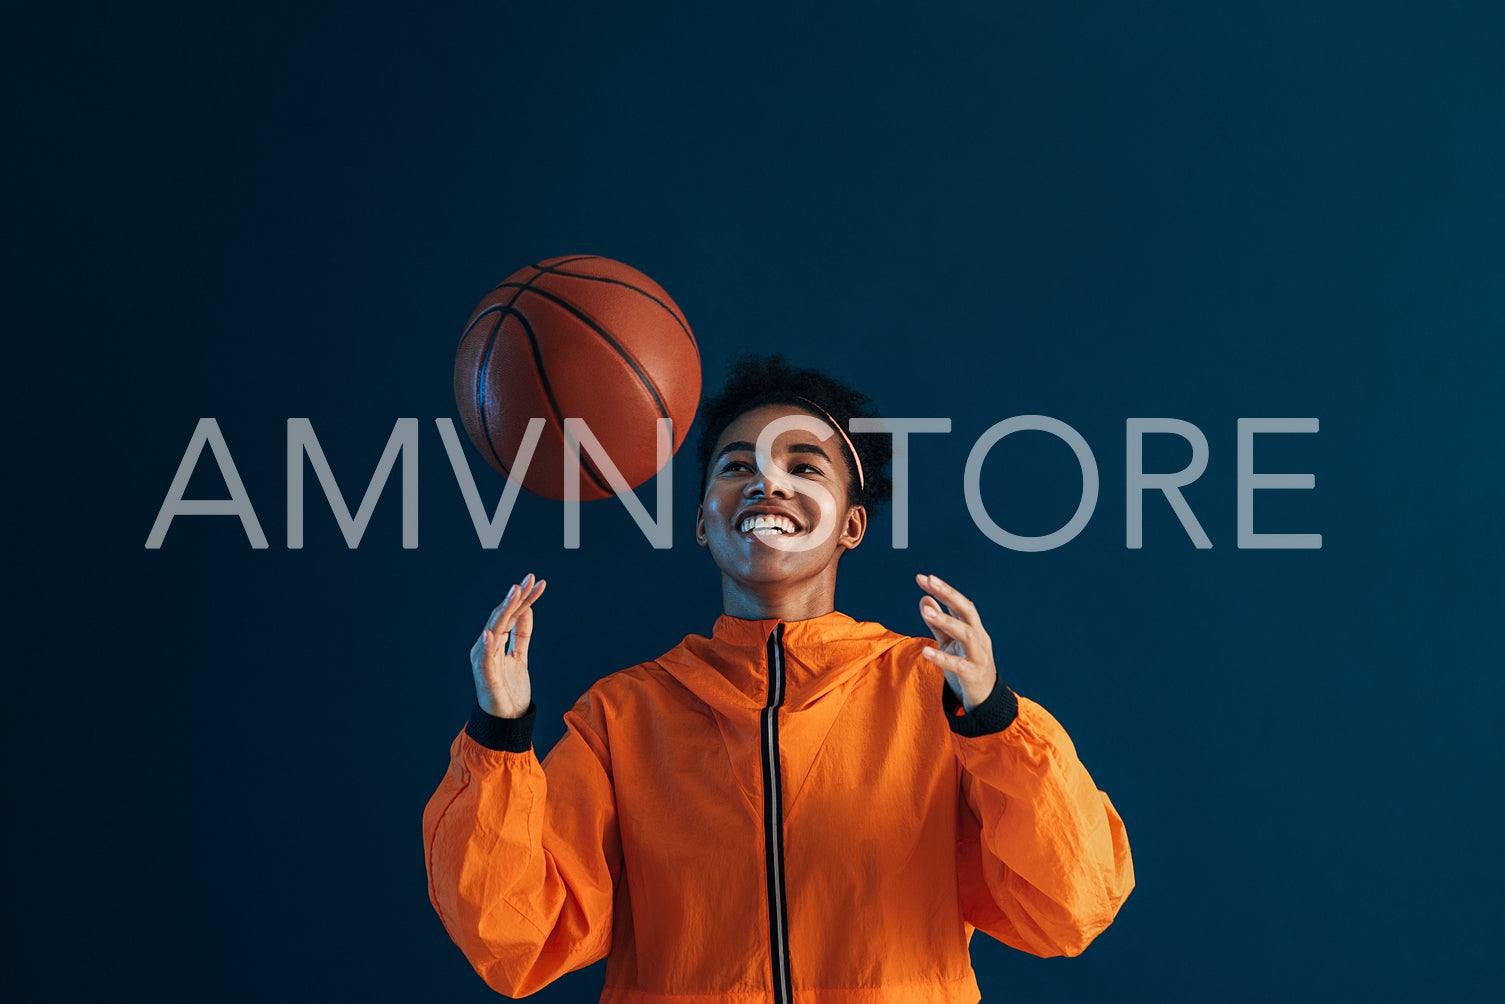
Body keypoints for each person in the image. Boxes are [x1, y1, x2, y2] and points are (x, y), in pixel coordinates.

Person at [422, 356, 1134, 1003]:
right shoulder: (621, 715)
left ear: (850, 526)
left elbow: (1071, 905)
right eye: (735, 467)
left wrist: (993, 719)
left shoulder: (934, 695)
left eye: (806, 467)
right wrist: (501, 735)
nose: (767, 481)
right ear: (704, 519)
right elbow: (514, 941)